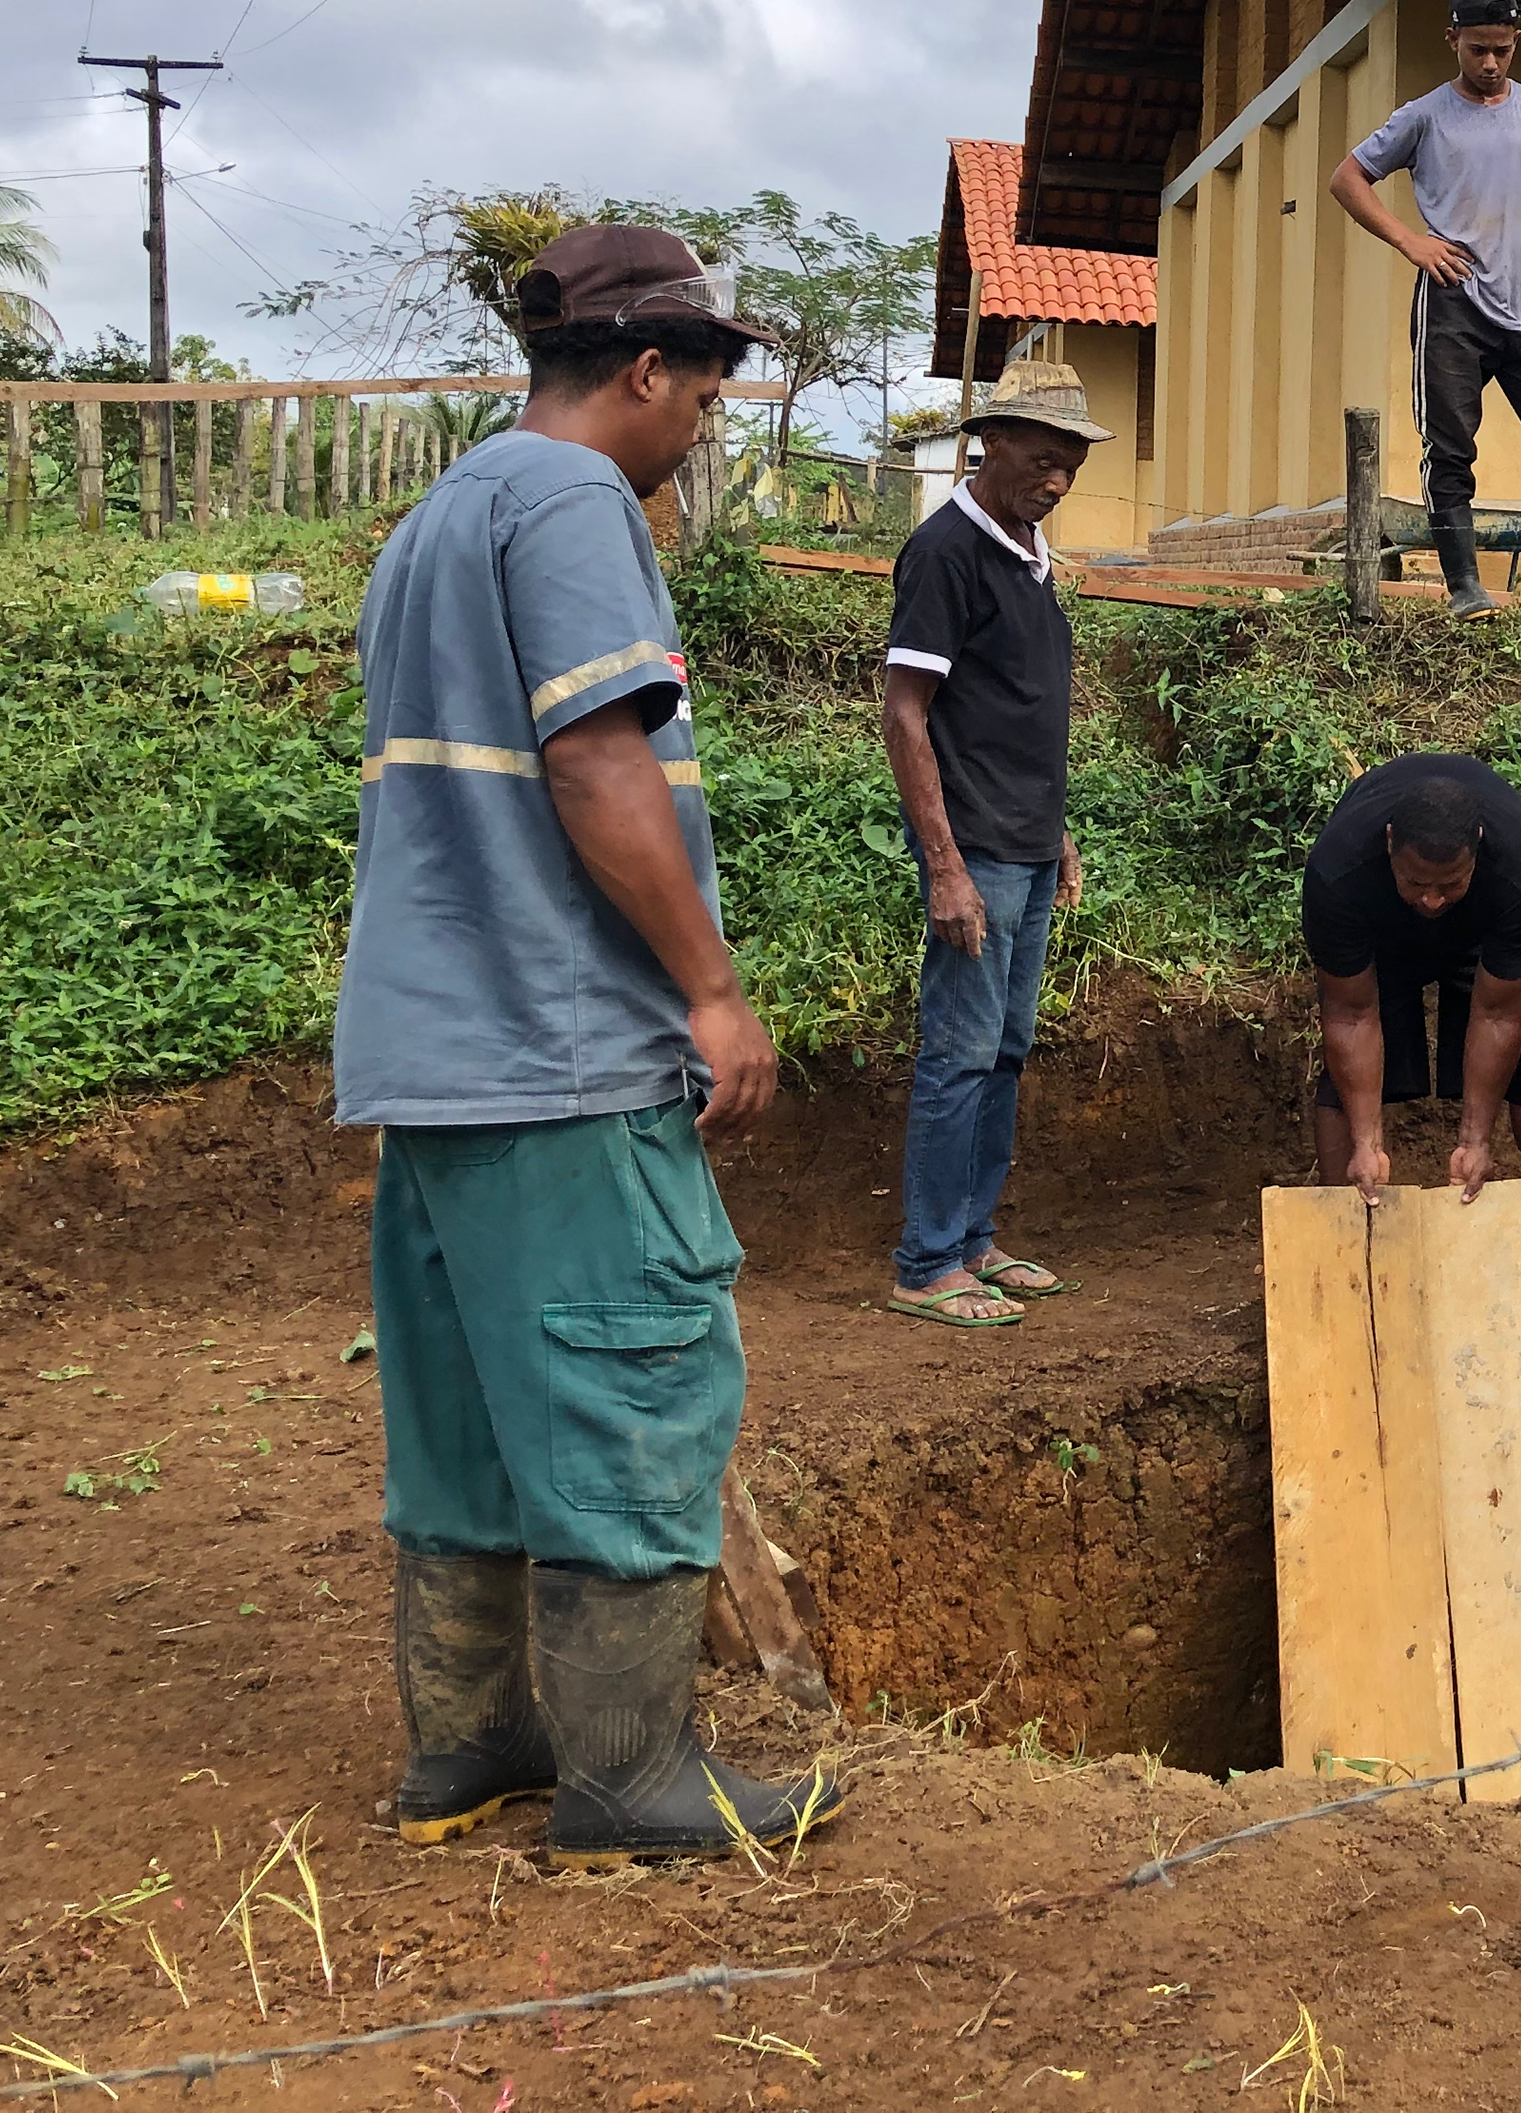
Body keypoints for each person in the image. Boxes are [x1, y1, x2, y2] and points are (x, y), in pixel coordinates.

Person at [339, 223, 844, 1866]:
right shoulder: (573, 504)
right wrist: (709, 988)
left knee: (476, 1406)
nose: (700, 429)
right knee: (641, 1383)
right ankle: (628, 1772)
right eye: (701, 394)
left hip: (439, 1054)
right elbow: (598, 765)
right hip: (560, 1048)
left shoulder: (441, 516)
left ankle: (472, 1744)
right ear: (646, 373)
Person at [881, 358, 1105, 1329]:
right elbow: (904, 713)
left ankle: (973, 1240)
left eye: (1071, 467)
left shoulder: (1030, 553)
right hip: (971, 855)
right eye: (1042, 461)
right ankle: (926, 1263)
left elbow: (1019, 714)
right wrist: (945, 868)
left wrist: (1055, 835)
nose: (1056, 482)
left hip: (1023, 849)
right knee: (961, 1055)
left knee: (1004, 1052)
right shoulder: (947, 553)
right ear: (992, 443)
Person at [1328, 0, 1521, 614]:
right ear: (1453, 40)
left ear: (1516, 40)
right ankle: (1465, 588)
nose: (1490, 63)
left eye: (1502, 48)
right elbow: (1348, 178)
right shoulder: (1424, 116)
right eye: (1477, 49)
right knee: (1451, 446)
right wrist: (1412, 242)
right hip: (1452, 305)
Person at [1303, 752, 1521, 1304]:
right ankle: (1347, 1245)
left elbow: (1498, 1011)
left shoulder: (1518, 870)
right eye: (1416, 882)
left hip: (1483, 931)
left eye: (1449, 883)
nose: (1431, 900)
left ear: (1477, 847)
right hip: (1378, 932)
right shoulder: (1338, 873)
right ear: (1389, 843)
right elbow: (1350, 1014)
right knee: (1345, 1077)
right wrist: (1368, 1141)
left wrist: (1476, 1141)